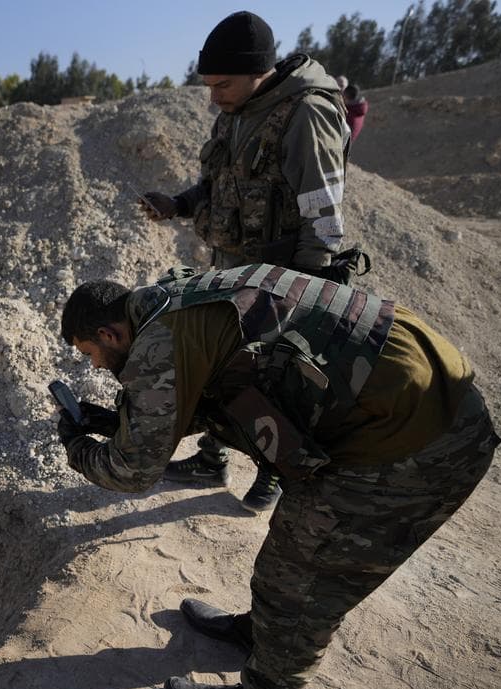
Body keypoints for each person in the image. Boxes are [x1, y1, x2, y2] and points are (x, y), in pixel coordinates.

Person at [55, 265, 499, 689]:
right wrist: (117, 423)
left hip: (415, 441)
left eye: (90, 353)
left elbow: (132, 472)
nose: (94, 365)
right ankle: (263, 636)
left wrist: (76, 446)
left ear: (110, 334)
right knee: (288, 560)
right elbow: (207, 392)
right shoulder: (175, 299)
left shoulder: (156, 341)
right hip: (416, 394)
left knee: (302, 579)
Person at [136, 11, 353, 512]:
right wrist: (179, 204)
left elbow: (324, 214)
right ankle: (213, 457)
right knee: (223, 368)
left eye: (223, 83)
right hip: (229, 270)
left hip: (280, 279)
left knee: (272, 378)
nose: (213, 95)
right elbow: (218, 185)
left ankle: (273, 473)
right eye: (208, 84)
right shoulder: (235, 111)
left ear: (261, 71)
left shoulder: (305, 112)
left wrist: (303, 291)